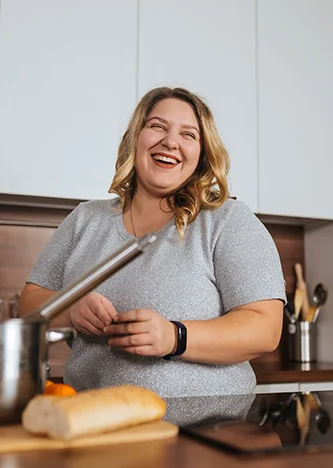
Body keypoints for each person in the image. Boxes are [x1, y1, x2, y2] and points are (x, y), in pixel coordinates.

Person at [18, 86, 286, 397]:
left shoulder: (228, 220)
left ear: (201, 155)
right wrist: (70, 310)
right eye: (157, 126)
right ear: (136, 138)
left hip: (210, 431)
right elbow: (28, 306)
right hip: (94, 422)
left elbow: (265, 329)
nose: (170, 141)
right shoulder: (85, 219)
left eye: (188, 135)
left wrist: (175, 337)